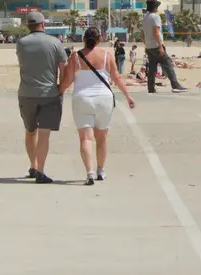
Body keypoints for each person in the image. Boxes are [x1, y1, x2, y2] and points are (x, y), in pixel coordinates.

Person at [60, 25, 134, 186]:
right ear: (100, 40)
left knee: (85, 138)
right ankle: (101, 170)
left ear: (84, 39)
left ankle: (90, 172)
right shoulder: (107, 55)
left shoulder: (76, 56)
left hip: (82, 99)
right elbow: (117, 78)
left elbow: (67, 80)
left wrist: (59, 93)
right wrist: (128, 96)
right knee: (102, 138)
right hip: (104, 99)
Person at [17, 10, 66, 184]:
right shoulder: (55, 43)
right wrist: (62, 88)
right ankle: (40, 170)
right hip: (48, 93)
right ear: (43, 24)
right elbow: (63, 68)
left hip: (26, 93)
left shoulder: (21, 43)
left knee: (30, 131)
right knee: (44, 134)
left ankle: (33, 165)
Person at [141, 0, 187, 94]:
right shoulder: (155, 17)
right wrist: (160, 46)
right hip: (156, 46)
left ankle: (151, 88)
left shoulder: (145, 17)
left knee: (152, 68)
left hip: (149, 46)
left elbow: (142, 33)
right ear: (155, 7)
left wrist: (146, 44)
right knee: (167, 63)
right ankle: (175, 85)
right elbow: (156, 32)